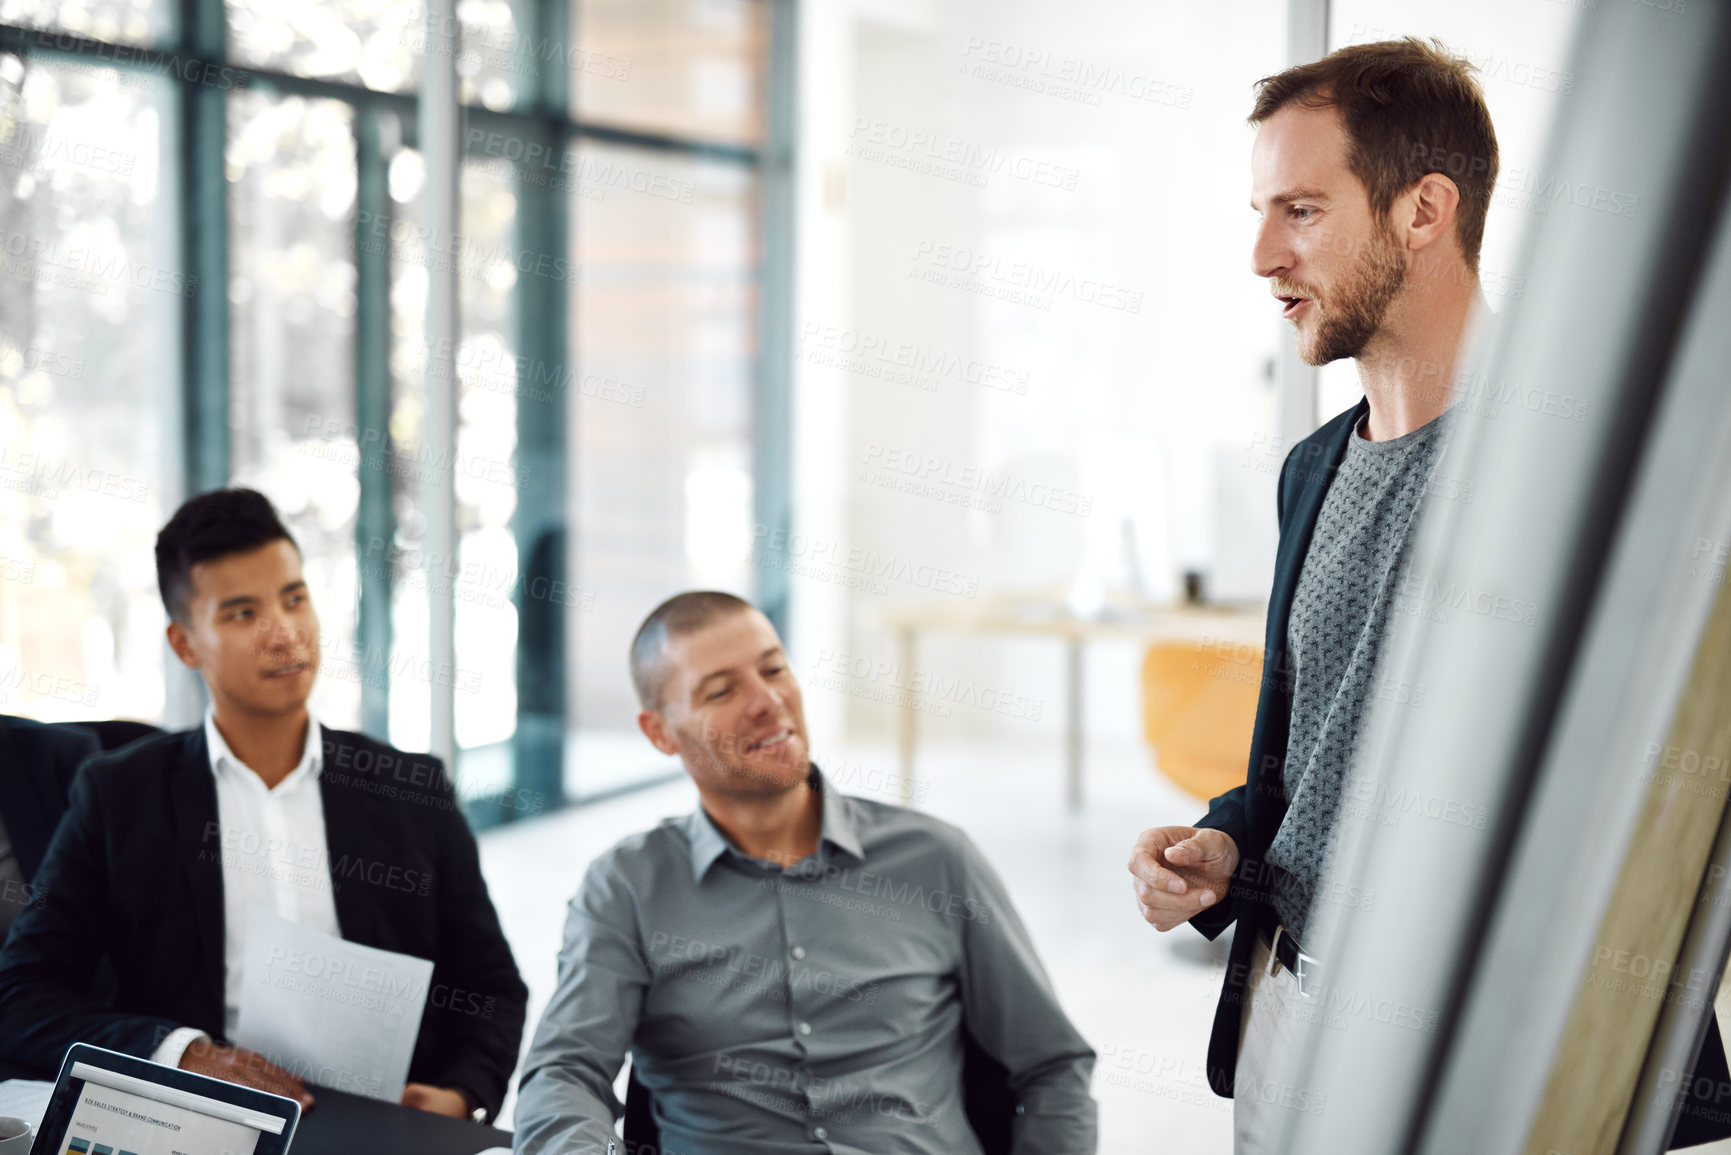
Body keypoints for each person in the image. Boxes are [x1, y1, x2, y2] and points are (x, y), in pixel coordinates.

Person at [1125, 37, 1731, 1152]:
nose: (1263, 254)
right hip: (1288, 1010)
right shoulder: (1314, 470)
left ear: (1423, 210)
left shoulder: (1586, 457)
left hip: (1486, 1033)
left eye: (1301, 211)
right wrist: (1225, 842)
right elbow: (1303, 757)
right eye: (1260, 211)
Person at [0, 488, 527, 1123]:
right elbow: (19, 994)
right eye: (243, 614)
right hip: (202, 1115)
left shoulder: (409, 787)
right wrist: (182, 1053)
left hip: (379, 1117)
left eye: (294, 598)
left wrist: (460, 1092)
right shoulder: (119, 796)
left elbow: (491, 986)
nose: (283, 634)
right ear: (185, 644)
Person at [514, 591, 1096, 1154]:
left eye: (774, 668)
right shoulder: (628, 888)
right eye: (721, 690)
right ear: (660, 732)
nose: (766, 700)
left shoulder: (936, 859)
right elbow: (564, 1072)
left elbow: (1052, 1064)